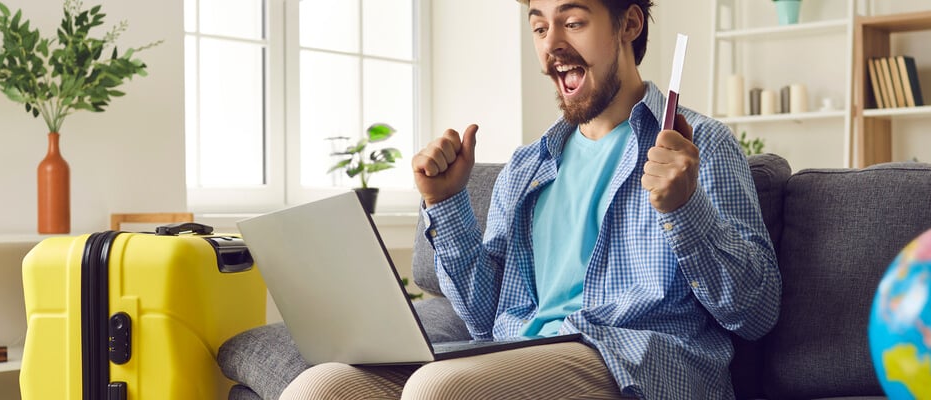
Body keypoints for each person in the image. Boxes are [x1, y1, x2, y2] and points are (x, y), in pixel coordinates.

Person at [285, 0, 780, 398]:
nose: (553, 45)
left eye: (574, 21)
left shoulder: (701, 146)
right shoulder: (527, 167)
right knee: (323, 386)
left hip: (637, 360)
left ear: (629, 23)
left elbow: (756, 313)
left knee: (442, 390)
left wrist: (684, 209)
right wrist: (445, 202)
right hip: (521, 353)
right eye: (540, 27)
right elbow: (486, 319)